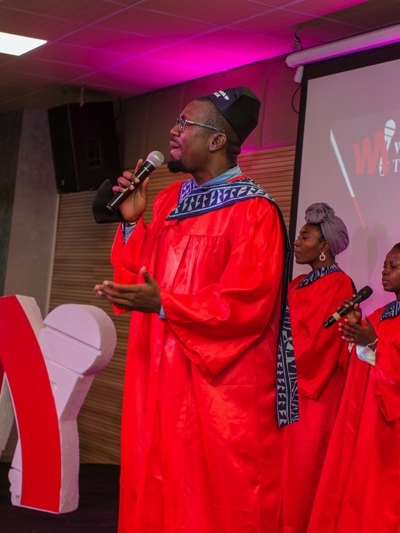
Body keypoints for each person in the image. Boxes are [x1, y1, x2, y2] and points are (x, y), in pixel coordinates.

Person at [94, 87, 295, 532]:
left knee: (209, 503)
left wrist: (165, 305)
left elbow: (247, 304)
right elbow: (141, 277)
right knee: (156, 489)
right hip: (159, 379)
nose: (173, 130)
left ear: (217, 140)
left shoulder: (254, 211)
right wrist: (132, 223)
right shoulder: (169, 200)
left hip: (215, 388)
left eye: (184, 123)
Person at [308, 240, 400, 532]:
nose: (385, 271)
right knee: (357, 491)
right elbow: (357, 370)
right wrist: (355, 335)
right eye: (384, 265)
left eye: (394, 266)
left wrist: (374, 343)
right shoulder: (378, 315)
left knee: (384, 502)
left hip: (395, 426)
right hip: (365, 419)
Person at [282, 202, 355, 532]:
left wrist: (280, 362)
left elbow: (321, 342)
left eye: (305, 237)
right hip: (287, 390)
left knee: (303, 474)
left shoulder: (340, 285)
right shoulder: (297, 284)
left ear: (324, 246)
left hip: (315, 393)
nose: (297, 242)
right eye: (299, 236)